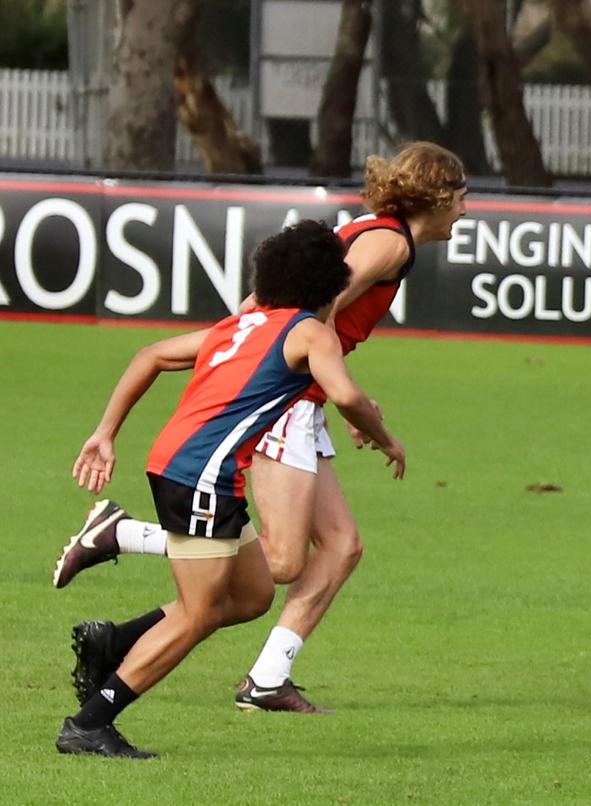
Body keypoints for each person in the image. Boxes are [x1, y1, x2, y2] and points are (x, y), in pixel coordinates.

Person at [53, 141, 468, 713]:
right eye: (462, 195)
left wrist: (336, 389)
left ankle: (263, 677)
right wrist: (337, 391)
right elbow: (319, 305)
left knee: (339, 546)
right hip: (287, 399)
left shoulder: (377, 233)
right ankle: (121, 536)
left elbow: (280, 304)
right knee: (278, 563)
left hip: (302, 391)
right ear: (438, 196)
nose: (466, 208)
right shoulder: (391, 242)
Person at [57, 221, 407, 758]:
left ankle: (116, 642)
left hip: (183, 464)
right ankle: (90, 722)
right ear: (331, 284)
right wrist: (386, 438)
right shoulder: (311, 332)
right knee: (198, 614)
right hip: (201, 476)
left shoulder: (243, 326)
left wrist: (106, 433)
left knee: (252, 595)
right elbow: (344, 396)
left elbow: (150, 354)